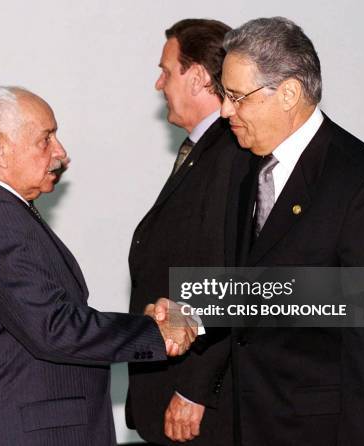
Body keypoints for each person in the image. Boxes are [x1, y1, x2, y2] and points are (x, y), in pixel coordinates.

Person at [186, 17, 364, 445]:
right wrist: (187, 312)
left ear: (288, 92)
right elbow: (262, 290)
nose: (225, 111)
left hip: (323, 430)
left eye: (236, 97)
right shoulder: (248, 166)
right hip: (251, 423)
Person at [0, 86, 197, 445]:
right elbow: (54, 328)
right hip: (32, 432)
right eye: (46, 139)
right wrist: (155, 331)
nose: (61, 152)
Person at [126, 18, 249, 445]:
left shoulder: (231, 153)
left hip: (199, 403)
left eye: (166, 70)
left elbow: (231, 281)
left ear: (197, 76)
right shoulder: (206, 151)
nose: (159, 85)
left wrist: (197, 388)